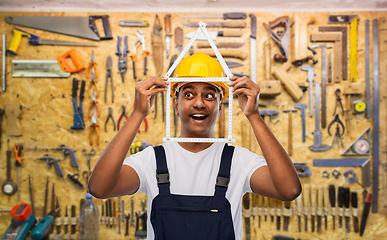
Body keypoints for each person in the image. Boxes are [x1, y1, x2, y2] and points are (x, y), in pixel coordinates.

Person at [88, 53, 301, 240]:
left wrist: (254, 115)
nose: (199, 103)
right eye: (188, 94)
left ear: (220, 105)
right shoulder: (152, 160)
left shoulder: (239, 161)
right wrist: (137, 114)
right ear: (175, 103)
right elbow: (99, 188)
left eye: (209, 95)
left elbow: (289, 190)